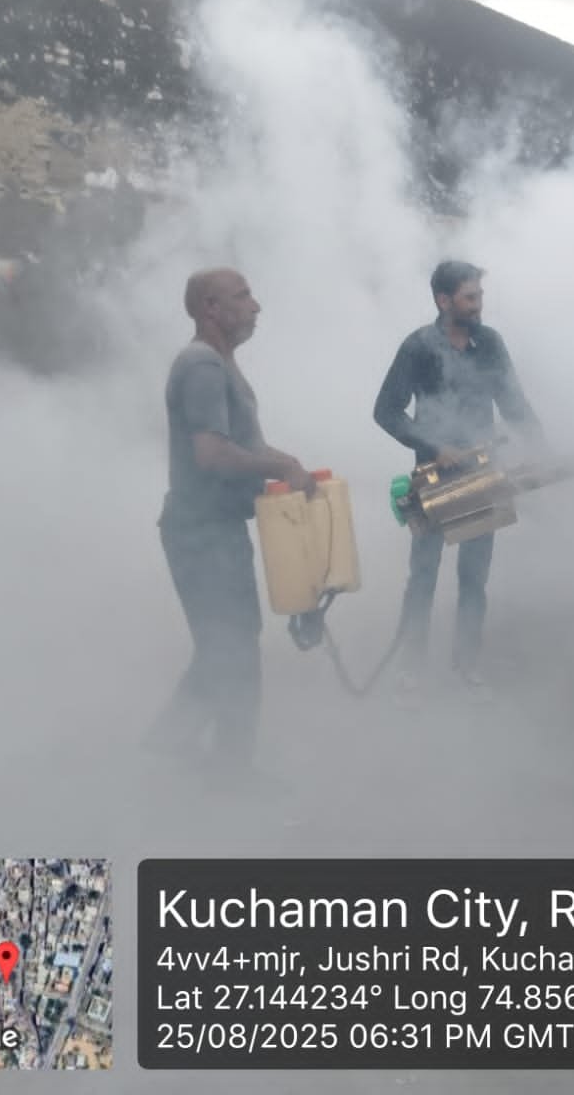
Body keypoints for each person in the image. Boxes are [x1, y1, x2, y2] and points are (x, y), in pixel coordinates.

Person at [145, 267, 316, 780]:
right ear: (210, 309)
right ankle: (232, 771)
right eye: (243, 296)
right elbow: (212, 453)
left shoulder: (218, 364)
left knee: (224, 644)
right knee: (234, 649)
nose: (255, 306)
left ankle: (169, 738)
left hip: (211, 529)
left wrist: (291, 466)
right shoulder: (202, 366)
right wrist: (280, 466)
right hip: (203, 532)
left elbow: (246, 445)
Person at [373, 260, 544, 686]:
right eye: (470, 297)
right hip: (432, 477)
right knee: (423, 576)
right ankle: (411, 670)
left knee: (474, 577)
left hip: (484, 473)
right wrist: (435, 446)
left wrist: (540, 445)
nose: (478, 304)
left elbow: (514, 403)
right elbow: (386, 411)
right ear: (443, 300)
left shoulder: (490, 344)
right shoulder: (418, 347)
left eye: (479, 296)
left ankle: (466, 666)